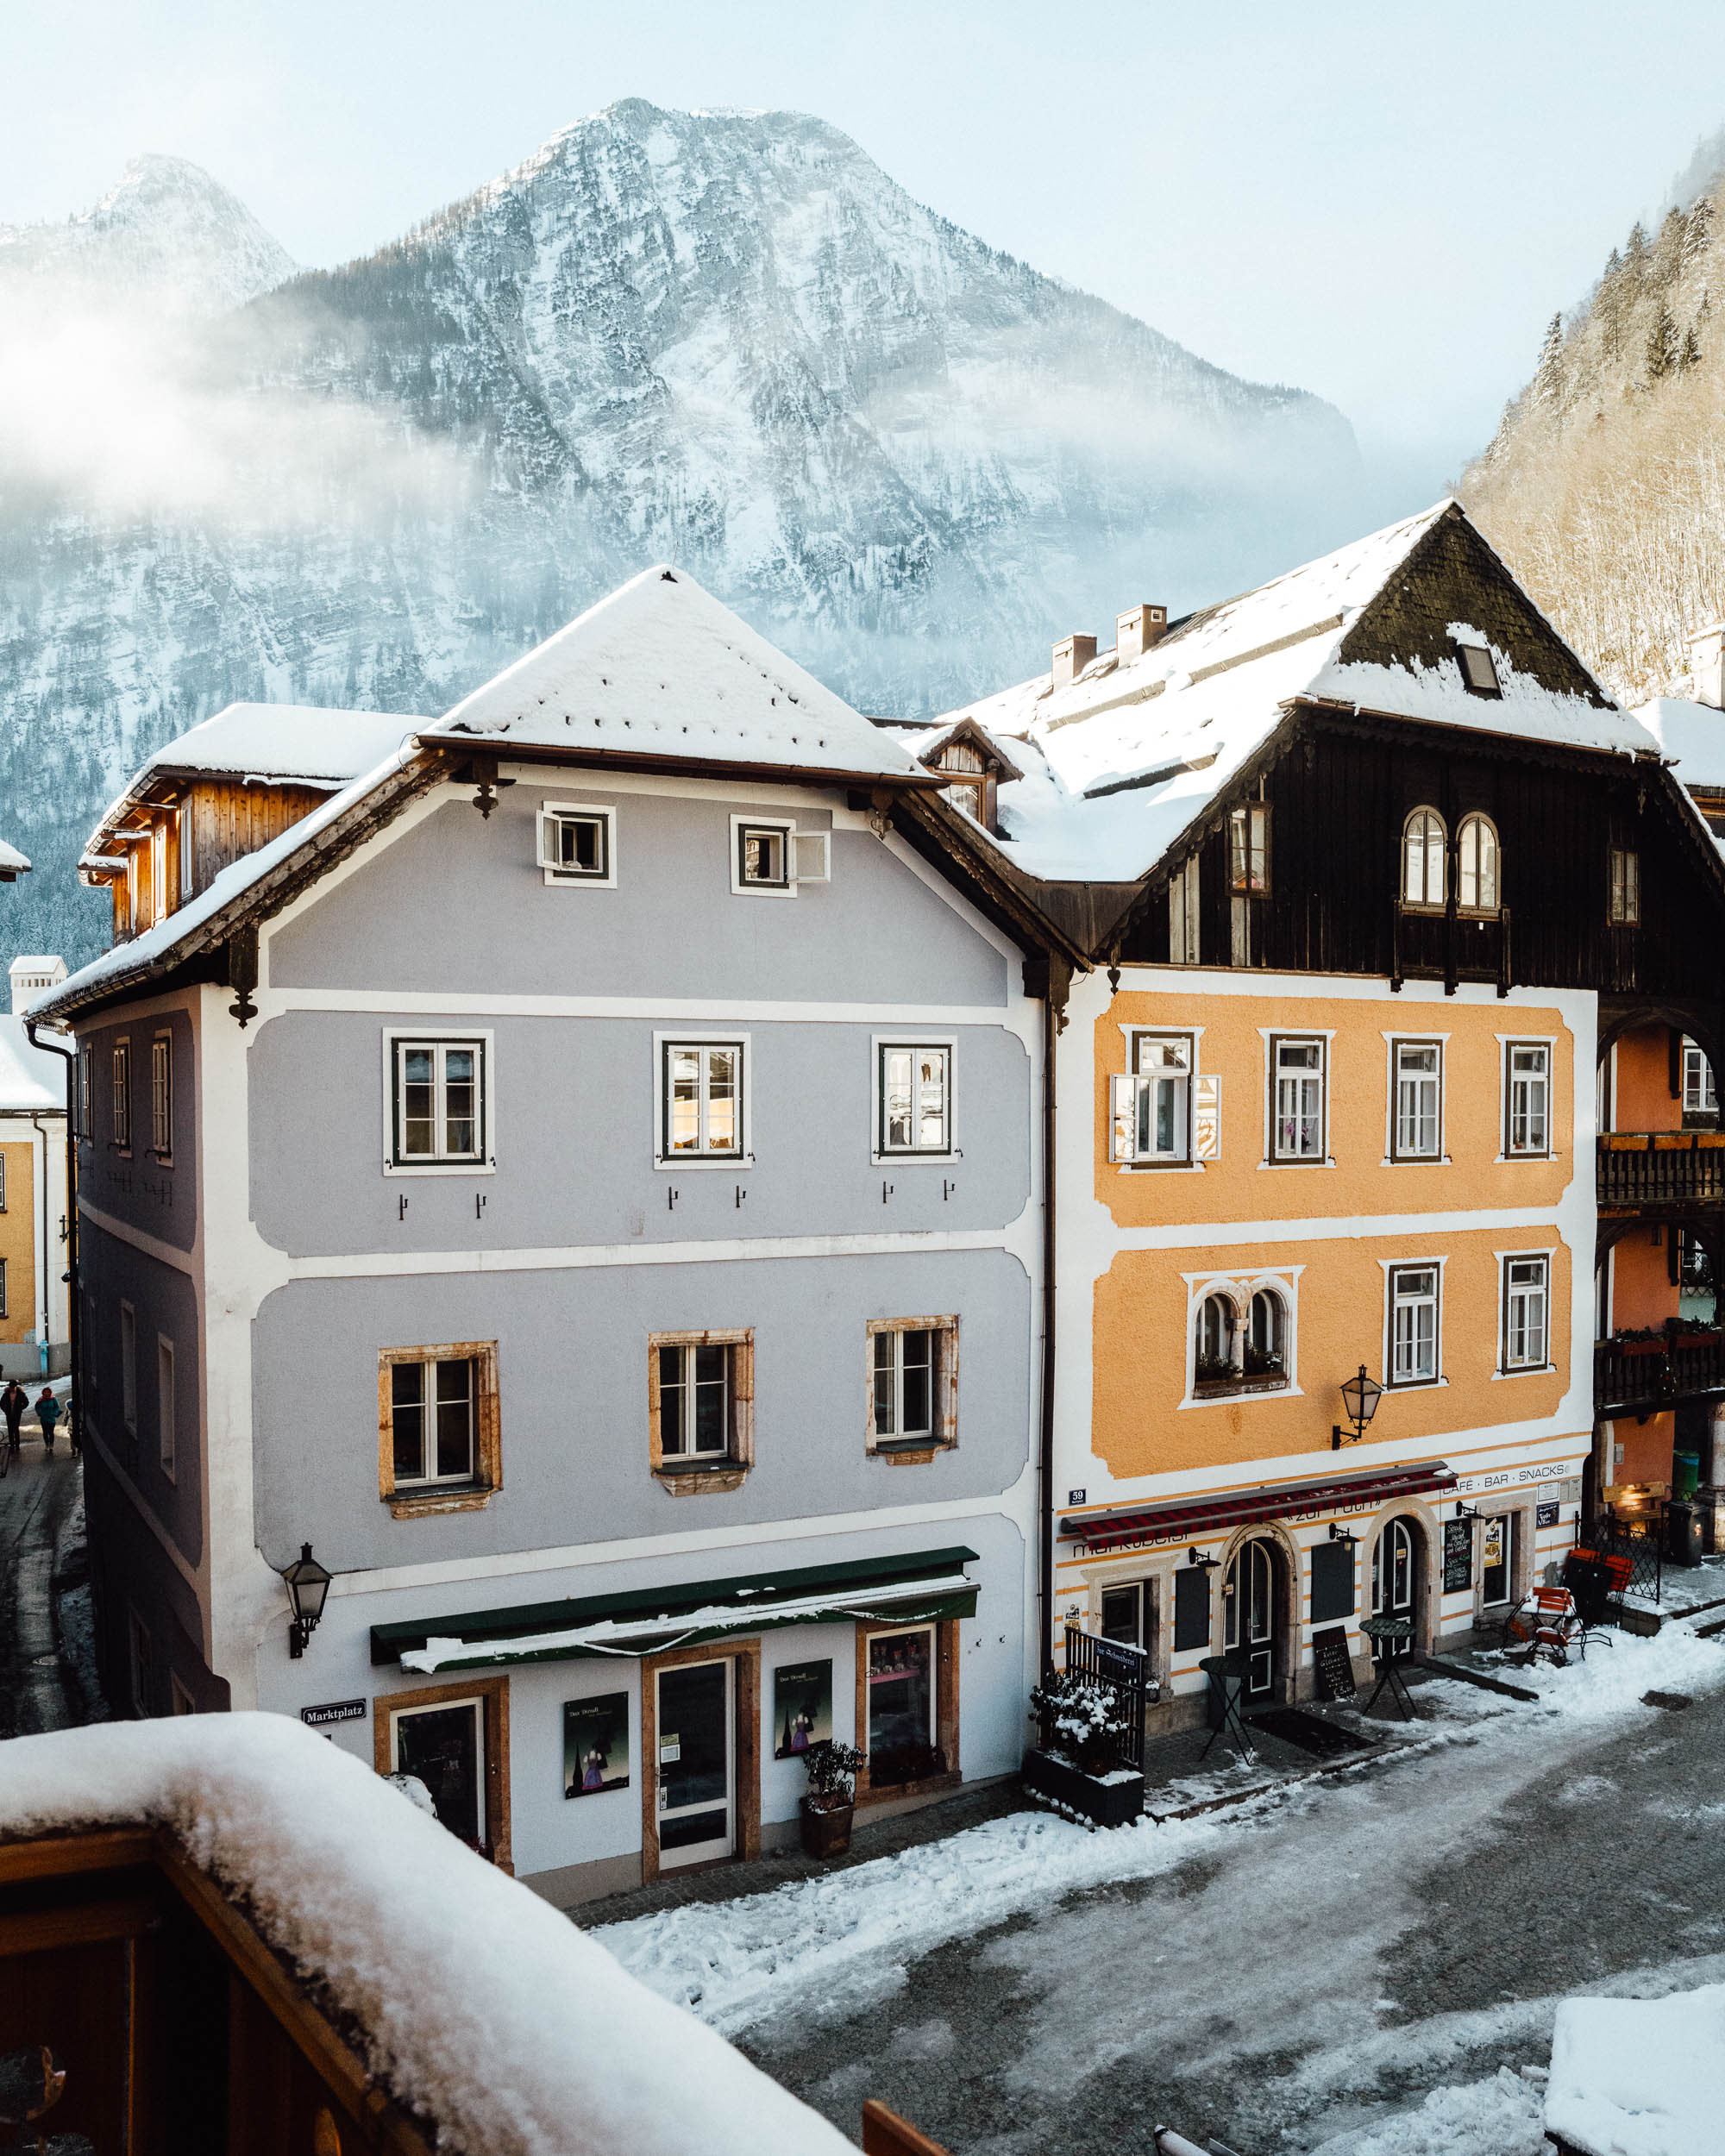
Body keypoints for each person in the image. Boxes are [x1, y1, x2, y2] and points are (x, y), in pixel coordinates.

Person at [2, 1381, 25, 1461]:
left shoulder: (21, 1394)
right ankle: (12, 1445)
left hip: (17, 1414)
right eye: (11, 1387)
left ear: (16, 1386)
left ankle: (17, 1445)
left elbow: (26, 1402)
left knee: (16, 1429)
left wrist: (20, 1408)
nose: (12, 1388)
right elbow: (1, 1403)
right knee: (10, 1430)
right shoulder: (6, 1394)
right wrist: (5, 1410)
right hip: (9, 1414)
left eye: (13, 1387)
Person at [34, 1388, 60, 1455]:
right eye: (45, 1392)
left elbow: (57, 1407)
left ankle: (51, 1445)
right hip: (44, 1419)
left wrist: (55, 1413)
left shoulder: (53, 1399)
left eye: (48, 1392)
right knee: (45, 1432)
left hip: (51, 1418)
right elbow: (37, 1407)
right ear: (43, 1393)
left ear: (50, 1393)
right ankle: (47, 1444)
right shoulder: (40, 1400)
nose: (46, 1393)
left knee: (51, 1432)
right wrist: (40, 1413)